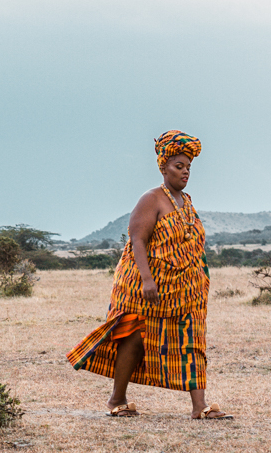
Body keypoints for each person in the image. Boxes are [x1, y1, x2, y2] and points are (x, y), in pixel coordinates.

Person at [66, 130, 233, 420]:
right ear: (163, 167)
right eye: (178, 166)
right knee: (133, 337)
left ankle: (199, 407)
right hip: (142, 284)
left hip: (182, 289)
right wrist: (146, 279)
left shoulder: (186, 202)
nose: (185, 172)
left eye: (188, 167)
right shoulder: (152, 198)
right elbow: (137, 240)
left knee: (192, 338)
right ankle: (116, 399)